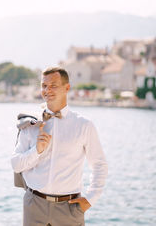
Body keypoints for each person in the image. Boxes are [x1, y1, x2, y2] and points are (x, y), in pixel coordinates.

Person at [11, 66, 108, 226]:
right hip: (34, 205)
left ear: (67, 88)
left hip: (69, 208)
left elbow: (99, 165)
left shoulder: (84, 125)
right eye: (44, 86)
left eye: (53, 85)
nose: (47, 90)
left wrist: (90, 199)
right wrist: (37, 150)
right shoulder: (30, 124)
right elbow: (15, 164)